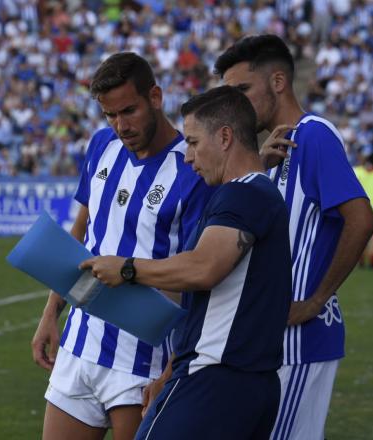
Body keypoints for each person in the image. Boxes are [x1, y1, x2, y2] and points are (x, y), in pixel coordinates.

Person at [81, 85, 292, 439]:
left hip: (213, 380)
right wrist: (166, 374)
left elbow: (203, 268)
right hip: (248, 384)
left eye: (193, 143)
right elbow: (209, 299)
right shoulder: (255, 193)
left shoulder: (243, 193)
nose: (188, 157)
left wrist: (128, 269)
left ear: (225, 137)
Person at [30, 52, 212, 440]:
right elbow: (82, 231)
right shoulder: (101, 146)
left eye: (128, 111)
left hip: (143, 360)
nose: (120, 126)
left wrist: (171, 370)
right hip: (78, 346)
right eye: (110, 116)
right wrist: (51, 312)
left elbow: (201, 274)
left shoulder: (192, 168)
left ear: (156, 97)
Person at [214, 35, 373, 440]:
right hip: (269, 337)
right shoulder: (272, 150)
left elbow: (361, 219)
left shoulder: (314, 135)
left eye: (242, 90)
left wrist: (316, 301)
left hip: (301, 338)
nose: (235, 104)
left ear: (278, 82)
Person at [354, 153, 373, 269]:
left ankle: (361, 258)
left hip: (360, 207)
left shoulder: (357, 171)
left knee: (360, 234)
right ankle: (372, 259)